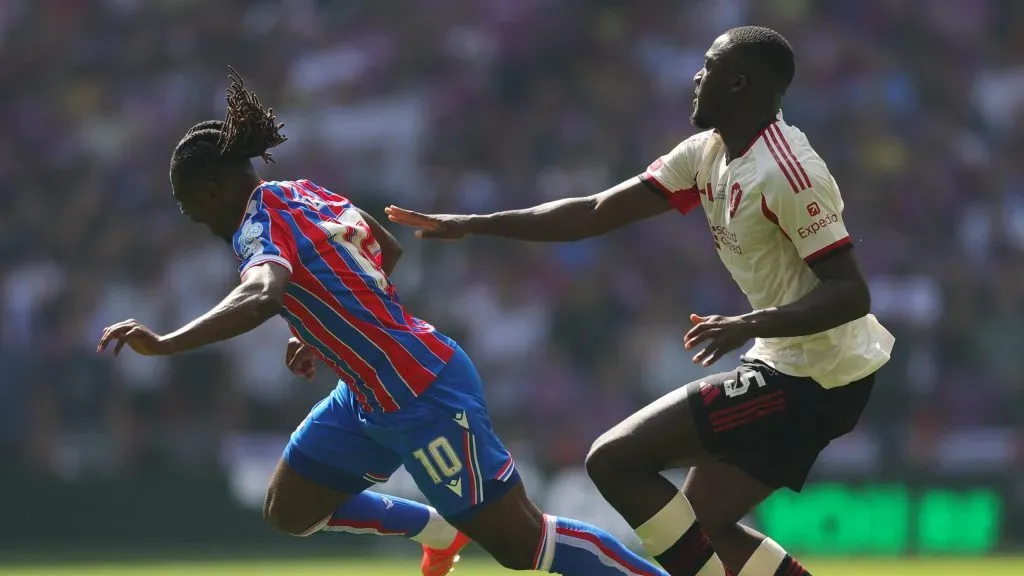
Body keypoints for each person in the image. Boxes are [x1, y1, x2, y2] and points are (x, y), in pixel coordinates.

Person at [95, 67, 668, 576]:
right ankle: (436, 528)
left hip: (423, 392)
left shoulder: (255, 230)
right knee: (289, 510)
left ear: (213, 189)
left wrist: (169, 343)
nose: (190, 217)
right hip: (365, 396)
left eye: (187, 204)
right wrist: (318, 330)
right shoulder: (301, 192)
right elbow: (385, 248)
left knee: (524, 543)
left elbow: (263, 293)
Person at [386, 26, 894, 576]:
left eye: (709, 66)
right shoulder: (707, 155)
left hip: (816, 375)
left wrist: (748, 323)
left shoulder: (788, 173)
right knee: (701, 526)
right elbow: (595, 210)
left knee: (615, 460)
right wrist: (478, 224)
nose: (696, 78)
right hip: (791, 362)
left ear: (739, 82)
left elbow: (850, 293)